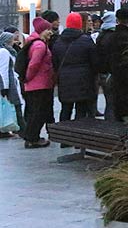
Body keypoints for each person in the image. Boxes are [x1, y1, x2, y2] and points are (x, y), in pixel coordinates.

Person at [52, 12, 98, 122]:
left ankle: (63, 132)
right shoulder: (86, 40)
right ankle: (78, 133)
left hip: (64, 79)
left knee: (66, 108)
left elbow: (55, 62)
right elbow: (95, 61)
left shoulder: (58, 41)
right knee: (81, 108)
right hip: (84, 79)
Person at [22, 17, 56, 148]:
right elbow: (34, 64)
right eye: (48, 29)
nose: (50, 32)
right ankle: (32, 139)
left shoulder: (34, 43)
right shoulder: (40, 45)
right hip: (38, 84)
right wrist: (28, 78)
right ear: (42, 30)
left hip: (36, 84)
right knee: (37, 113)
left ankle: (32, 137)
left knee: (35, 112)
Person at [0, 31, 25, 137]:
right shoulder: (5, 52)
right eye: (12, 39)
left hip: (10, 82)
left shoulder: (7, 51)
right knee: (16, 105)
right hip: (9, 84)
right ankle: (22, 129)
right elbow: (3, 70)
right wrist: (4, 87)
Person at [95, 11, 117, 120]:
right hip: (110, 72)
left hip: (102, 72)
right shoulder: (113, 36)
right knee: (112, 102)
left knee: (108, 100)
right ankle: (111, 124)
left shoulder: (101, 36)